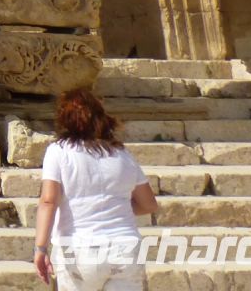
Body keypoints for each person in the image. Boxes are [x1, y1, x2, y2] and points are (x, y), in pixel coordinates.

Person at [34, 87, 158, 288]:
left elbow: (48, 200)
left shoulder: (58, 151)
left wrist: (40, 248)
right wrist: (115, 207)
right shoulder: (122, 154)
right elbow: (149, 204)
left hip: (79, 248)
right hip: (125, 246)